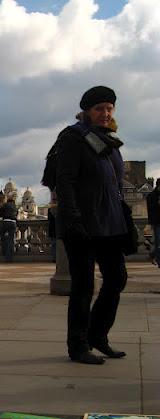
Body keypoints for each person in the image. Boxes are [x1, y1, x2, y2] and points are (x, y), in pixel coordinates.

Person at [56, 86, 130, 365]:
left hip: (110, 222)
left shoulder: (109, 141)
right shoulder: (73, 138)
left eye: (109, 108)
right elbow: (65, 181)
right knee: (83, 286)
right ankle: (78, 345)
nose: (105, 113)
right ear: (87, 110)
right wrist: (73, 219)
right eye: (99, 108)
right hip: (83, 225)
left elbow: (114, 184)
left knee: (117, 279)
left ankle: (98, 335)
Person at [0, 196, 18, 262]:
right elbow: (16, 214)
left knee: (2, 236)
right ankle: (9, 257)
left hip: (6, 221)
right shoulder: (15, 206)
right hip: (13, 223)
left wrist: (4, 214)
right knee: (11, 239)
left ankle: (4, 251)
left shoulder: (5, 205)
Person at [147, 178, 160, 267]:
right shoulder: (151, 196)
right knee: (158, 241)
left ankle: (153, 254)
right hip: (157, 222)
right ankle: (158, 260)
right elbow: (150, 210)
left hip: (156, 221)